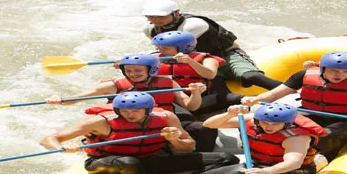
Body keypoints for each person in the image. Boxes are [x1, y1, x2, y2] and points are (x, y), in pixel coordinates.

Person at [40, 92, 237, 174]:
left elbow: (190, 147)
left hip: (151, 159)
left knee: (226, 158)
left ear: (148, 110)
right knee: (128, 162)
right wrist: (62, 148)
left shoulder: (166, 118)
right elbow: (49, 138)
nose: (129, 115)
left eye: (135, 111)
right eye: (124, 111)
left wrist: (175, 140)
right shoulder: (100, 122)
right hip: (108, 162)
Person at [241, 51, 347, 160]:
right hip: (315, 115)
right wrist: (254, 100)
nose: (340, 75)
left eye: (346, 72)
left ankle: (321, 160)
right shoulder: (305, 75)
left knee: (325, 134)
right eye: (334, 71)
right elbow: (273, 95)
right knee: (275, 125)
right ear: (322, 68)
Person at [46, 53, 218, 152]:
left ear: (152, 70)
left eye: (138, 70)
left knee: (202, 129)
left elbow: (191, 106)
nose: (133, 74)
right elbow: (77, 98)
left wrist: (196, 94)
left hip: (164, 122)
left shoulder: (167, 83)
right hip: (126, 124)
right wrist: (59, 100)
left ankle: (195, 155)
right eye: (128, 70)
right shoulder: (113, 85)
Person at [174, 103, 326, 174]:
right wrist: (228, 115)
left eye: (275, 124)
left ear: (287, 124)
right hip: (257, 165)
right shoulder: (252, 121)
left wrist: (266, 171)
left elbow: (294, 163)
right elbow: (208, 124)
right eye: (265, 122)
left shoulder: (296, 137)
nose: (268, 127)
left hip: (292, 170)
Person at [141, 0, 283, 91]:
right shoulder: (150, 29)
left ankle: (289, 92)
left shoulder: (194, 24)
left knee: (250, 77)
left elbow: (176, 45)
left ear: (176, 13)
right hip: (198, 62)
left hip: (226, 55)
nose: (155, 20)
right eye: (151, 17)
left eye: (161, 16)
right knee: (214, 84)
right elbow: (163, 50)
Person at [151, 31, 243, 120]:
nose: (160, 51)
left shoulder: (206, 59)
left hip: (199, 97)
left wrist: (191, 62)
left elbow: (210, 74)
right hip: (171, 98)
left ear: (183, 48)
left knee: (238, 99)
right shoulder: (154, 59)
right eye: (158, 47)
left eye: (165, 48)